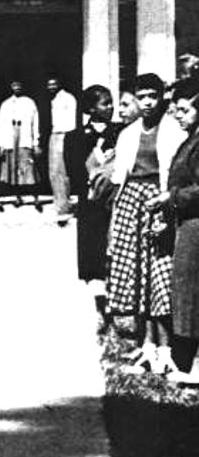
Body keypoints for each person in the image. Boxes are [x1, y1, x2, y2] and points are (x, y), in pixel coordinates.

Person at [108, 73, 186, 375]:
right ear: (136, 99)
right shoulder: (127, 133)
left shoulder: (174, 132)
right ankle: (146, 347)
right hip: (132, 203)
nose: (148, 102)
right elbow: (119, 177)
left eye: (154, 96)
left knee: (160, 274)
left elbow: (175, 175)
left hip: (160, 202)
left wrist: (166, 204)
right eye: (143, 97)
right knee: (136, 275)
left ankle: (165, 348)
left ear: (162, 97)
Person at [147, 85, 199, 383]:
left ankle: (195, 365)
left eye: (185, 110)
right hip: (186, 225)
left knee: (193, 294)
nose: (178, 115)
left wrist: (171, 197)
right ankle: (188, 363)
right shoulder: (189, 140)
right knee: (187, 294)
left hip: (196, 227)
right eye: (176, 109)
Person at [67, 85, 127, 324]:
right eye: (105, 103)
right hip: (90, 203)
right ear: (91, 108)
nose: (111, 107)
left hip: (114, 201)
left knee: (114, 250)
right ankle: (100, 306)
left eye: (112, 102)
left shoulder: (121, 132)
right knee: (92, 252)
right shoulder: (76, 136)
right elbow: (73, 170)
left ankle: (117, 302)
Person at [0, 78, 41, 210]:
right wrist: (1, 144)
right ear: (11, 87)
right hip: (10, 139)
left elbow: (35, 123)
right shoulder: (5, 104)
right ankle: (18, 197)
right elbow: (1, 124)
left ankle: (36, 198)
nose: (17, 87)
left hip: (25, 138)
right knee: (13, 171)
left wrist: (35, 142)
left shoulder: (30, 103)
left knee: (29, 169)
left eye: (19, 85)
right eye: (14, 85)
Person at [45, 75, 77, 225]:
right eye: (49, 85)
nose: (51, 87)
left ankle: (64, 207)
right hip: (55, 135)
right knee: (53, 172)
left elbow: (71, 123)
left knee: (61, 172)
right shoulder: (54, 100)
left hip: (64, 136)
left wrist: (66, 140)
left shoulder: (68, 99)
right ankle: (59, 203)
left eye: (53, 84)